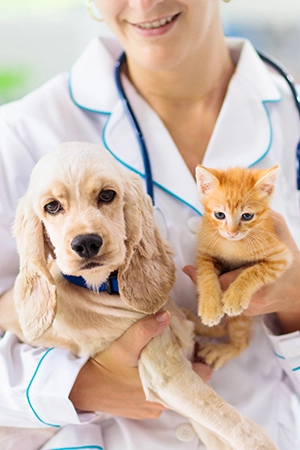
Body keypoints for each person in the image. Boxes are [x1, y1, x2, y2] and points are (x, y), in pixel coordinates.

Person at [0, 0, 300, 448]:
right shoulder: (22, 133)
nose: (143, 4)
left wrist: (296, 302)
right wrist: (72, 385)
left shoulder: (290, 117)